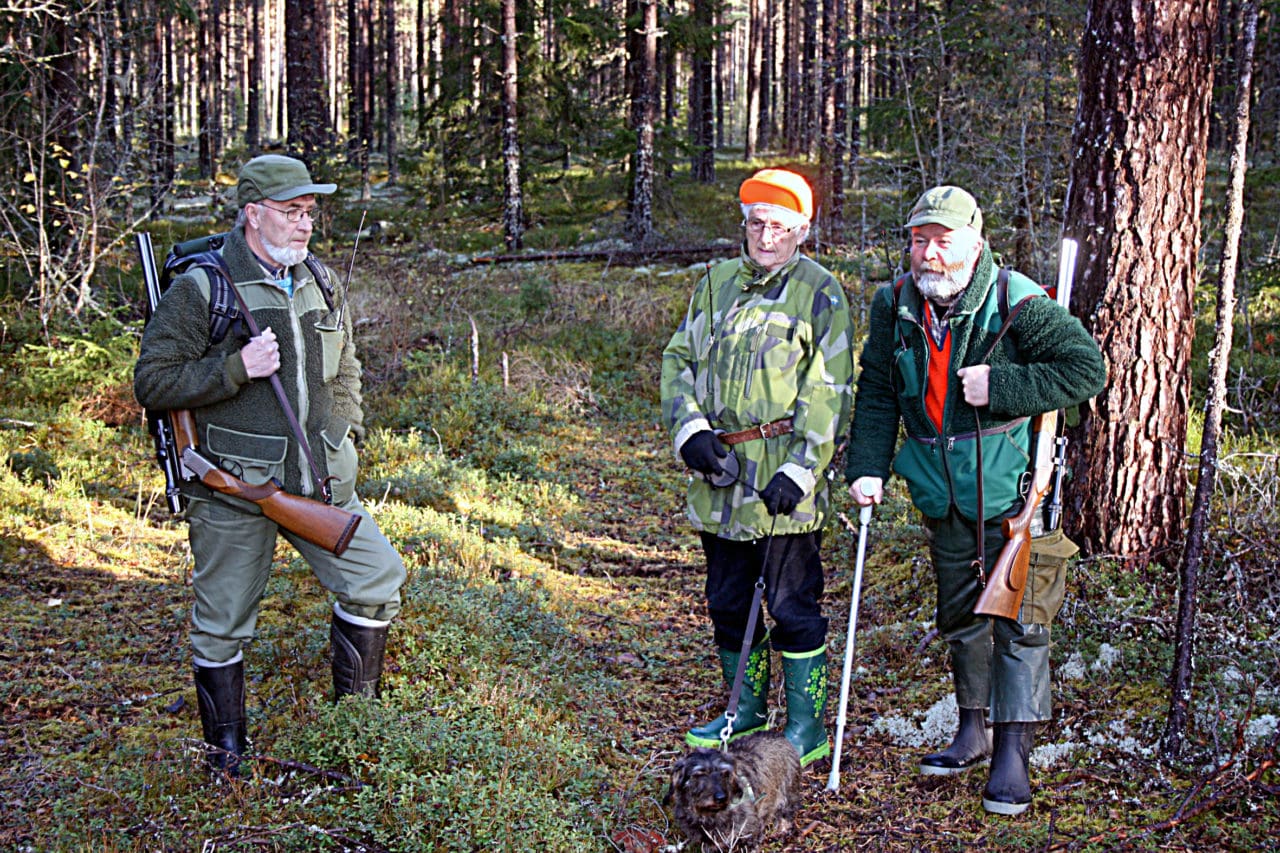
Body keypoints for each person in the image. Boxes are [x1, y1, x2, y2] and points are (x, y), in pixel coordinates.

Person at [134, 154, 407, 777]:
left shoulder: (318, 277)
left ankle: (354, 726)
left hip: (323, 483)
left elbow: (347, 366)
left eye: (309, 212)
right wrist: (235, 369)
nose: (304, 224)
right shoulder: (203, 287)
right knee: (222, 625)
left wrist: (347, 431)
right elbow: (153, 382)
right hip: (235, 487)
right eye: (290, 212)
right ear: (253, 214)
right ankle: (225, 757)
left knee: (376, 578)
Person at [845, 186, 1105, 814]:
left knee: (1021, 619)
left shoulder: (1018, 302)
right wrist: (867, 467)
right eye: (919, 240)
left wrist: (1004, 385)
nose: (929, 254)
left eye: (943, 240)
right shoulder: (893, 305)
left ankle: (1012, 750)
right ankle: (972, 728)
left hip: (1012, 487)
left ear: (974, 242)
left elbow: (1085, 369)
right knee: (961, 612)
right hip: (942, 489)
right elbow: (878, 391)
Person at [660, 168, 855, 767]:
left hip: (783, 481)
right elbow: (678, 359)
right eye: (756, 223)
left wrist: (802, 470)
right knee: (725, 598)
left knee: (793, 604)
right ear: (742, 224)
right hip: (719, 477)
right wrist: (690, 431)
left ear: (801, 231)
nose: (765, 236)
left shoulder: (820, 292)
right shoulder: (715, 284)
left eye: (779, 227)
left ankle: (805, 727)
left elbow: (832, 384)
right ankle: (743, 709)